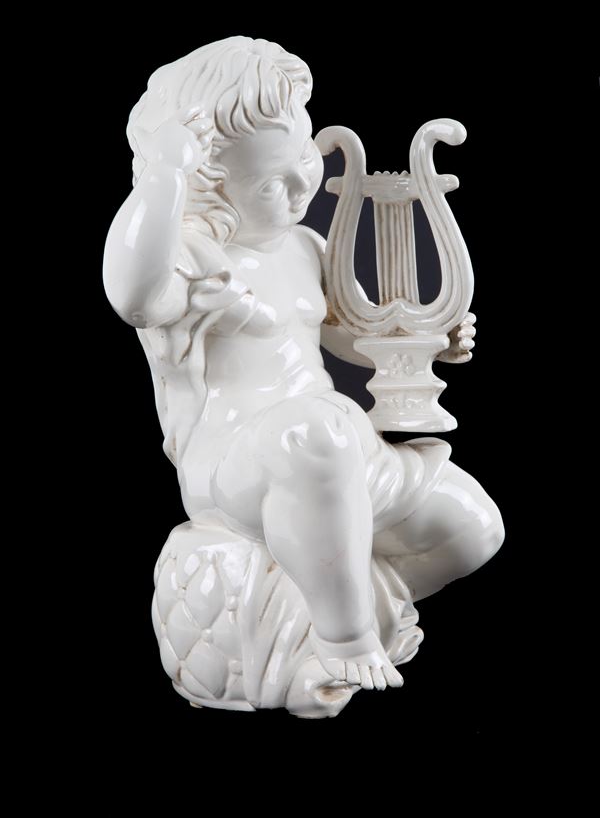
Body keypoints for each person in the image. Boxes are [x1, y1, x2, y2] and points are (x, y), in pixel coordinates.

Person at [103, 36, 504, 692]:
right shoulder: (192, 259)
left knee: (473, 527)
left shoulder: (304, 247)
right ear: (209, 188)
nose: (299, 189)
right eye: (270, 183)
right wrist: (165, 174)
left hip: (336, 449)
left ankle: (335, 593)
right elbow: (133, 295)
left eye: (303, 161)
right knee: (314, 433)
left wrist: (434, 339)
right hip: (235, 465)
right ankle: (343, 637)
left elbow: (352, 337)